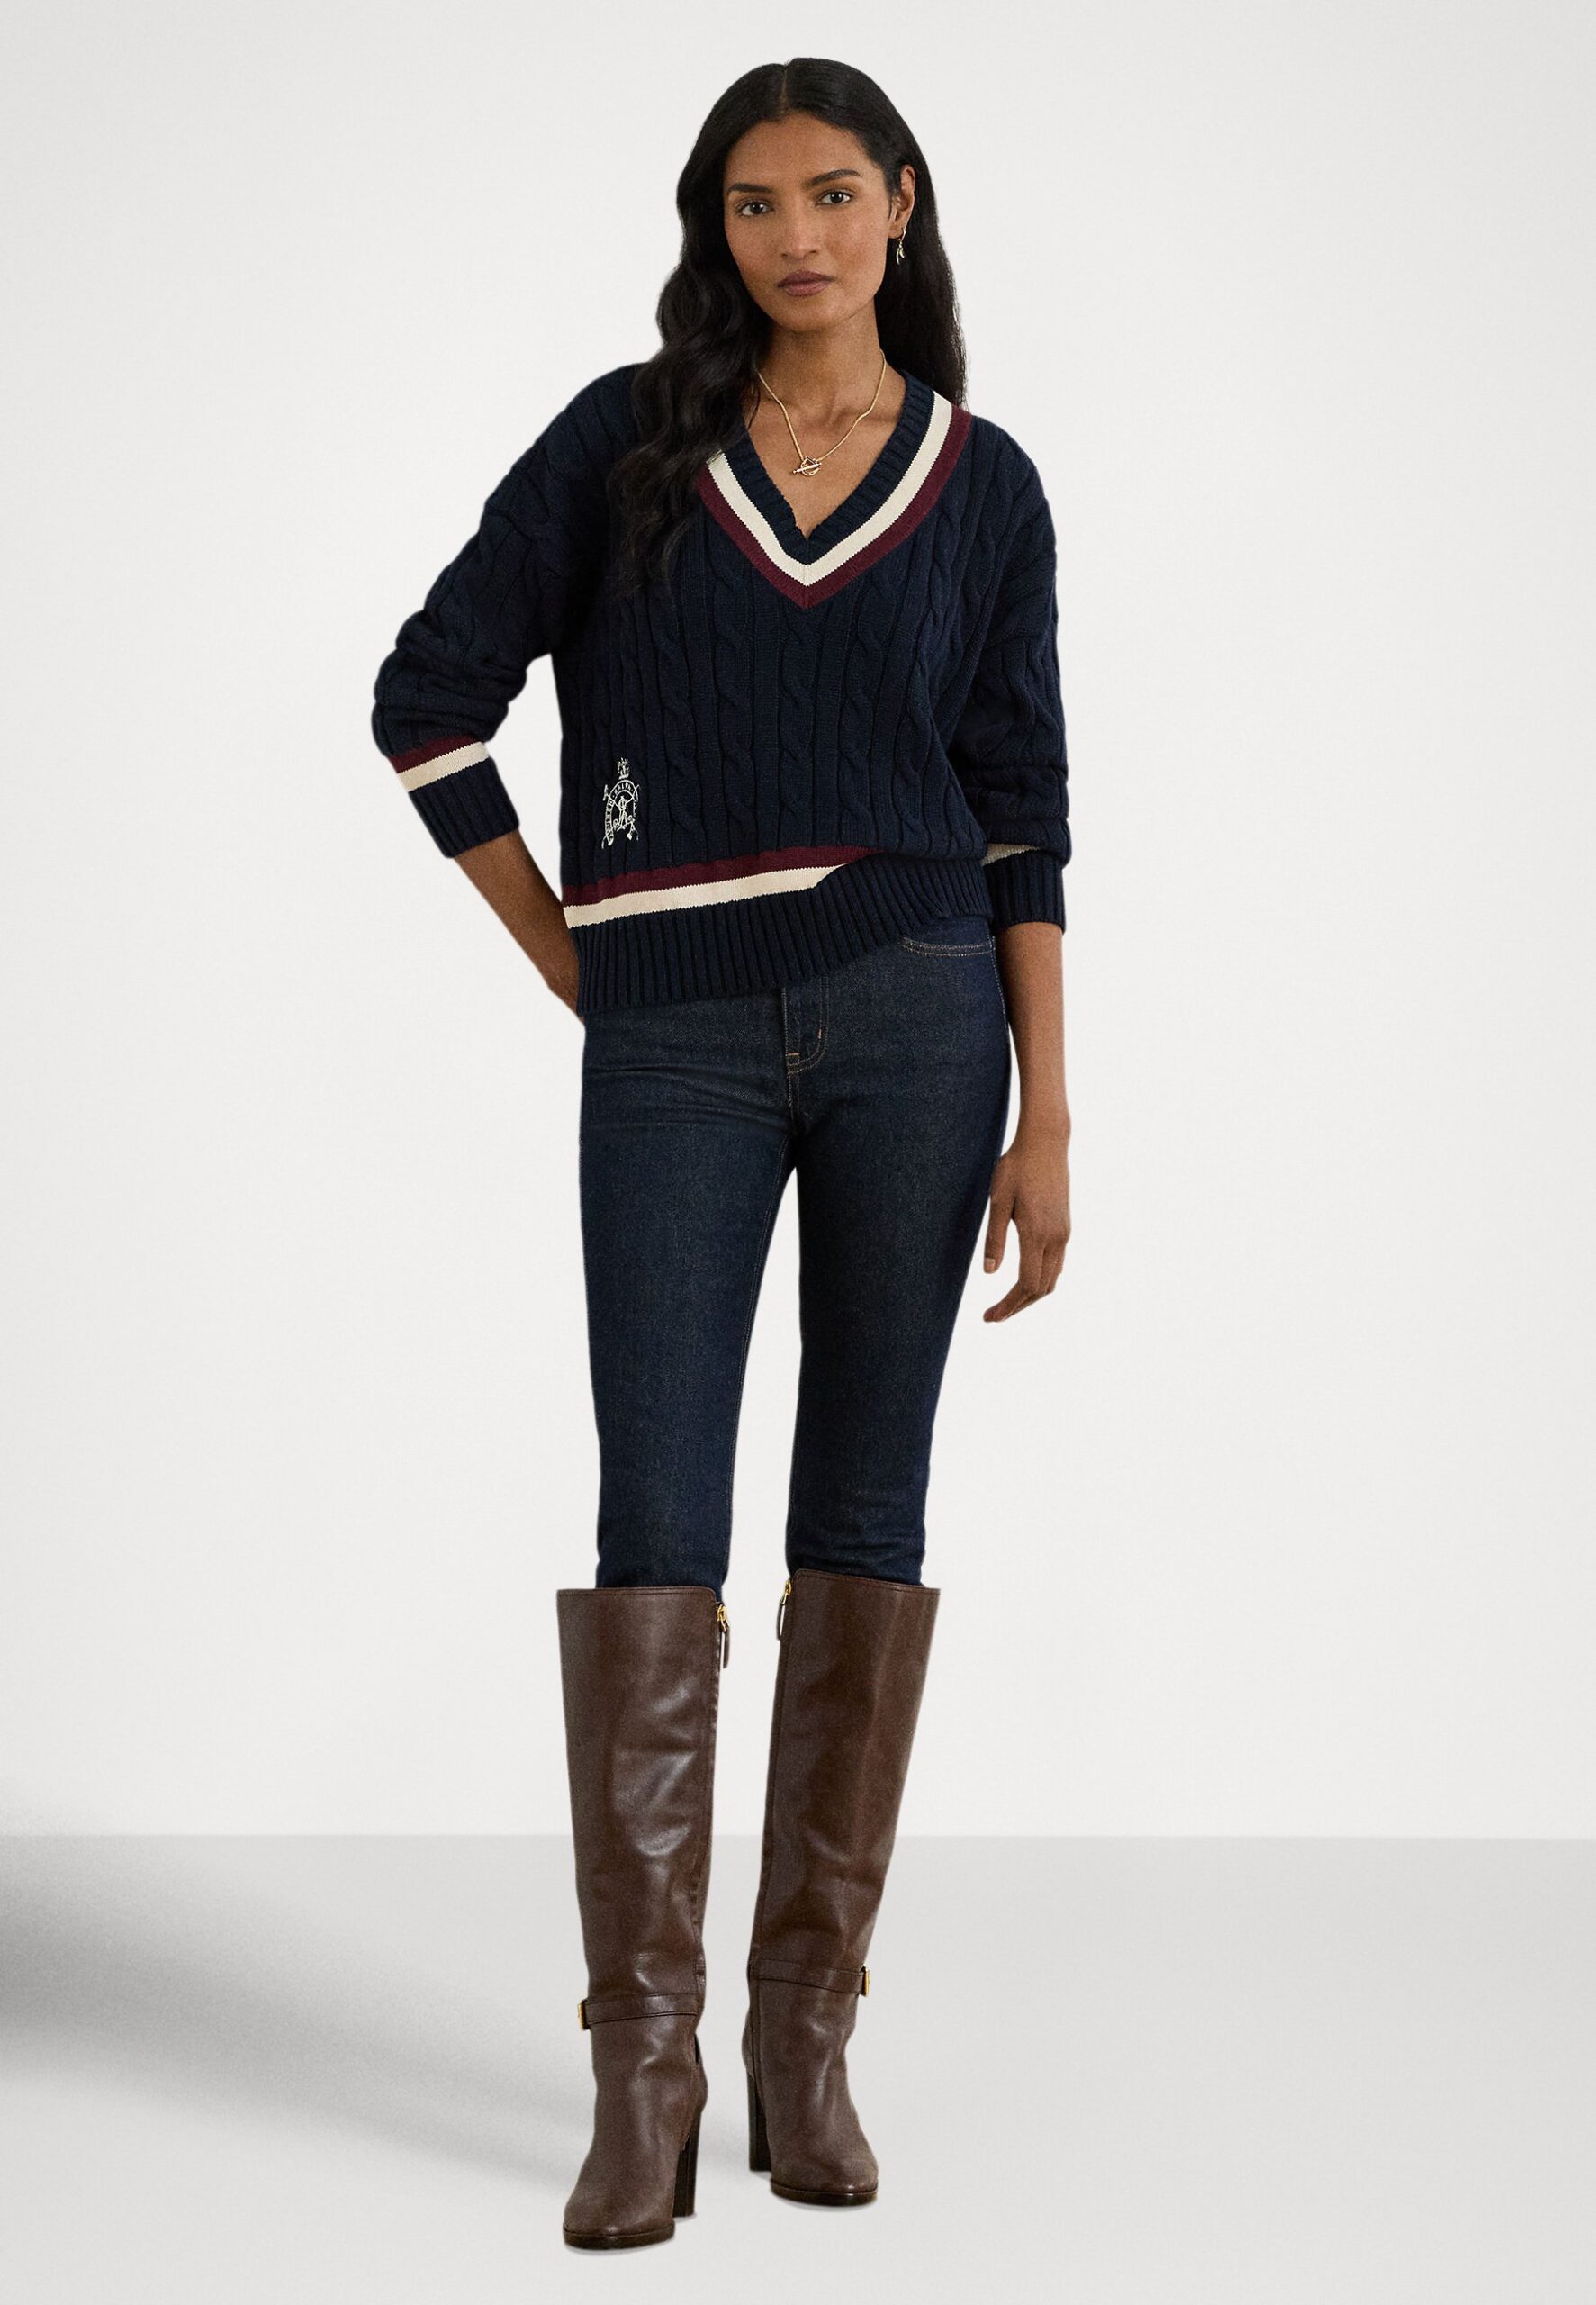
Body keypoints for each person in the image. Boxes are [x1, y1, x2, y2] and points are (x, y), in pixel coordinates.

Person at [370, 56, 1073, 2252]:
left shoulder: (984, 484)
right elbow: (425, 694)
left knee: (864, 1509)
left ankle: (802, 2041)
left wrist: (1049, 1106)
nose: (796, 236)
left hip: (923, 1024)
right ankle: (643, 2069)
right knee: (653, 1516)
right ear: (714, 227)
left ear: (901, 204)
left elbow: (1025, 812)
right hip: (668, 1041)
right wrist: (572, 954)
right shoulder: (623, 447)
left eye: (832, 193)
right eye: (754, 203)